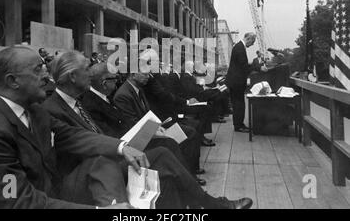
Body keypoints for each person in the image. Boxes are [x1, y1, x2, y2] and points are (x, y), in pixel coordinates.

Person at [41, 51, 252, 209]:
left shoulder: (75, 102)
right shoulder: (51, 109)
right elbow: (76, 147)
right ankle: (210, 204)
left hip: (106, 159)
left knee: (166, 168)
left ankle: (202, 205)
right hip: (87, 175)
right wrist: (122, 147)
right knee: (162, 154)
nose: (90, 73)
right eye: (86, 69)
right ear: (72, 77)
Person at [0, 47, 145, 209]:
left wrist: (122, 147)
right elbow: (16, 201)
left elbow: (70, 135)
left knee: (101, 159)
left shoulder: (34, 110)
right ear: (12, 81)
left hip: (53, 192)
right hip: (32, 202)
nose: (47, 76)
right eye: (38, 69)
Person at [226, 33, 266, 132]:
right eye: (252, 42)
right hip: (237, 82)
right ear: (248, 39)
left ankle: (239, 124)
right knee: (239, 104)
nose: (252, 45)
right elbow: (243, 66)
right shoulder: (240, 48)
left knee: (238, 104)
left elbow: (243, 64)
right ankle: (239, 126)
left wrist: (253, 65)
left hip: (235, 81)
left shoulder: (238, 47)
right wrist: (259, 67)